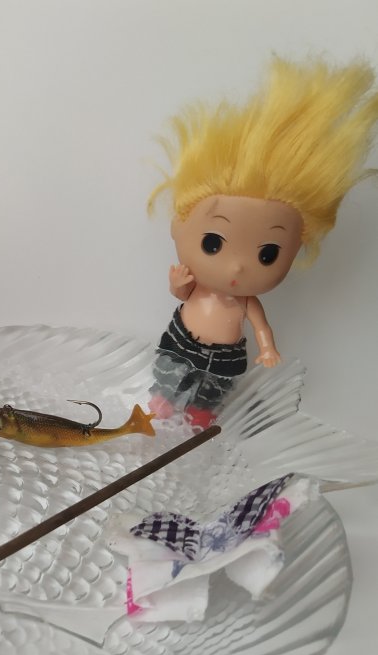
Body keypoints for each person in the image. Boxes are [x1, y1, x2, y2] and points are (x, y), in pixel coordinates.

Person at [148, 57, 378, 427]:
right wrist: (178, 284)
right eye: (213, 243)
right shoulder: (200, 288)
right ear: (179, 227)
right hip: (181, 339)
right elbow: (183, 295)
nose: (238, 266)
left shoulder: (245, 300)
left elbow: (259, 326)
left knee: (212, 388)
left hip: (224, 357)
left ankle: (201, 411)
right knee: (171, 371)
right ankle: (163, 398)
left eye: (268, 254)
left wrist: (268, 347)